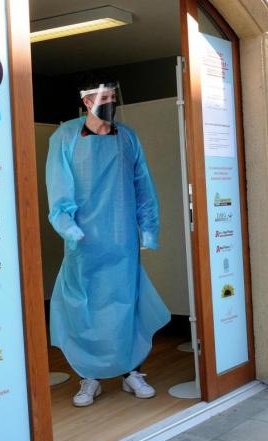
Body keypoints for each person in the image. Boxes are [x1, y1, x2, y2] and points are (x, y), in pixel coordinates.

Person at [45, 80, 170, 408]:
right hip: (84, 243)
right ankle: (90, 377)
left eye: (114, 97)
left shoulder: (127, 138)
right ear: (87, 101)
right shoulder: (65, 137)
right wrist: (69, 229)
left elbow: (143, 185)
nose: (110, 102)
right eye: (104, 97)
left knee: (126, 305)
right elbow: (59, 187)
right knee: (85, 310)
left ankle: (131, 372)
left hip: (121, 240)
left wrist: (149, 229)